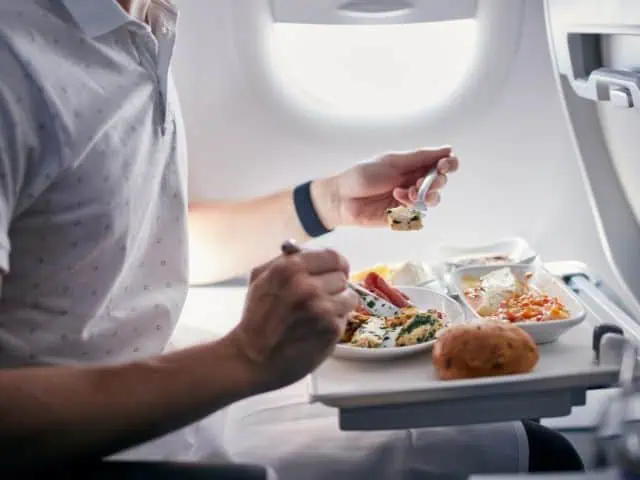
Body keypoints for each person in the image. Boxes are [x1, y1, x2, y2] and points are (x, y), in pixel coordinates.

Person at [0, 0, 583, 477]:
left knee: (521, 441)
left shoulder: (142, 23)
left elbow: (143, 248)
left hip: (172, 382)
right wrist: (243, 357)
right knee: (542, 460)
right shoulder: (16, 58)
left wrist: (327, 201)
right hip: (93, 438)